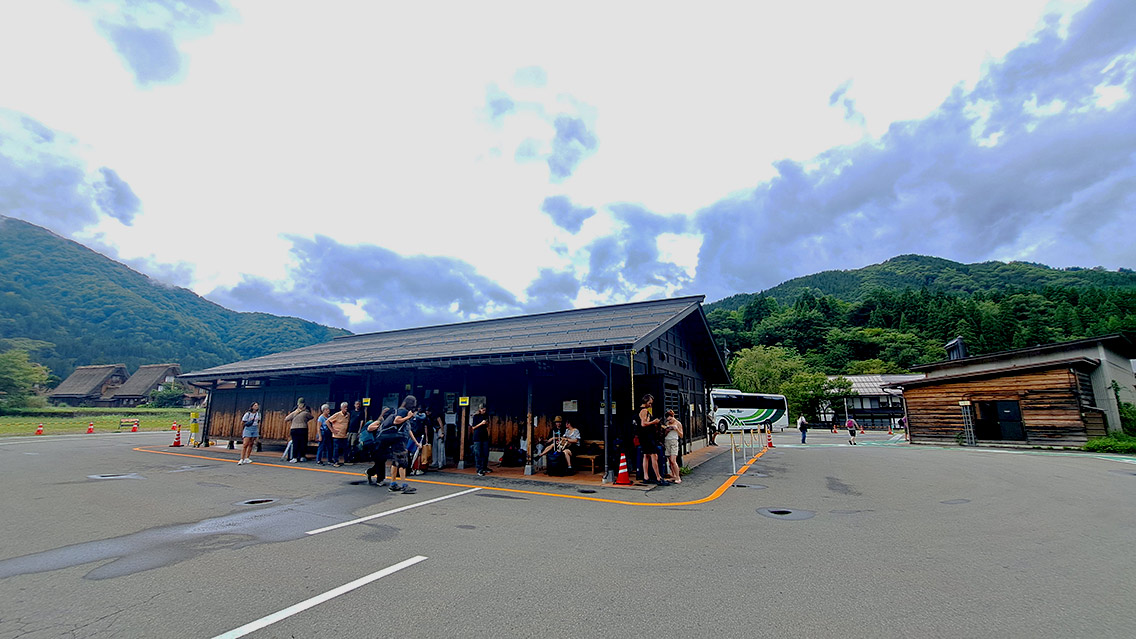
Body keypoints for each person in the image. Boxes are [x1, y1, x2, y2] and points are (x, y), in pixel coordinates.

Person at [387, 395, 418, 493]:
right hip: (399, 441)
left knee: (395, 462)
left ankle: (393, 484)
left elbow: (408, 430)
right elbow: (396, 421)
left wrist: (415, 442)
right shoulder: (403, 411)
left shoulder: (399, 410)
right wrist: (408, 417)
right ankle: (404, 485)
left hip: (396, 439)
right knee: (403, 463)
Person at [639, 394, 668, 486]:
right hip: (647, 436)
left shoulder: (642, 410)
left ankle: (646, 477)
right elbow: (643, 424)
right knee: (654, 455)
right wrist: (654, 422)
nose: (651, 404)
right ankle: (658, 477)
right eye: (649, 402)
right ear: (646, 401)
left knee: (646, 456)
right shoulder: (644, 411)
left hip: (644, 436)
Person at [364, 407, 393, 486]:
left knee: (381, 461)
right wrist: (380, 427)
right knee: (380, 462)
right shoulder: (379, 422)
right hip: (376, 445)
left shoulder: (390, 423)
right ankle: (380, 479)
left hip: (384, 445)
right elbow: (369, 428)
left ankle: (370, 472)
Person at [663, 410, 683, 484]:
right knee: (669, 460)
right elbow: (664, 434)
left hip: (674, 441)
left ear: (673, 416)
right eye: (668, 420)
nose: (670, 421)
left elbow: (681, 435)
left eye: (671, 419)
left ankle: (678, 477)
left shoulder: (678, 423)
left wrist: (676, 429)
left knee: (673, 460)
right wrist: (667, 430)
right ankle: (673, 475)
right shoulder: (667, 423)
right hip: (667, 441)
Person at [328, 402, 351, 467]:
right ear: (341, 408)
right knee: (336, 448)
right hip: (337, 435)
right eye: (344, 407)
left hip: (344, 435)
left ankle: (346, 460)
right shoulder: (337, 414)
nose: (346, 408)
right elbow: (327, 421)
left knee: (346, 448)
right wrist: (332, 430)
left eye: (347, 407)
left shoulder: (348, 414)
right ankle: (336, 461)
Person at [471, 404, 490, 476]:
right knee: (478, 453)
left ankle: (484, 467)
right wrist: (481, 423)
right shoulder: (476, 416)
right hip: (477, 437)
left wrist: (486, 423)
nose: (484, 411)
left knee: (485, 453)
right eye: (483, 410)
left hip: (484, 436)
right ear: (480, 409)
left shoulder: (486, 416)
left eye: (485, 410)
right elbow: (473, 427)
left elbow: (487, 425)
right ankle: (479, 469)